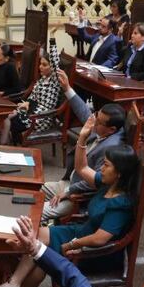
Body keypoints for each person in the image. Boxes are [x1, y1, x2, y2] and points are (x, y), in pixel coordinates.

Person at [0, 145, 137, 287]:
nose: (101, 168)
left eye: (106, 165)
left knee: (41, 253)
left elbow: (100, 238)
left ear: (119, 173)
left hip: (94, 252)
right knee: (38, 238)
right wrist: (82, 139)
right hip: (80, 232)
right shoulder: (106, 182)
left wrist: (72, 244)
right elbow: (82, 168)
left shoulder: (120, 204)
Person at [41, 69, 126, 221]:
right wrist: (67, 88)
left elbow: (96, 181)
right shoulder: (103, 127)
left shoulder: (111, 149)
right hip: (69, 183)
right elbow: (84, 111)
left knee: (38, 212)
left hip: (77, 196)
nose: (93, 122)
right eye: (96, 117)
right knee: (36, 190)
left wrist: (68, 191)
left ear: (112, 129)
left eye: (98, 122)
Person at [4, 39, 62, 144]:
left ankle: (10, 145)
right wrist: (27, 103)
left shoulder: (55, 81)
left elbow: (55, 63)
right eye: (40, 64)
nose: (40, 67)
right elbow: (33, 96)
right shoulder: (42, 79)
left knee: (13, 121)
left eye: (44, 65)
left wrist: (52, 41)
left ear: (52, 68)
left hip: (42, 118)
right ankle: (9, 144)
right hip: (32, 112)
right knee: (7, 115)